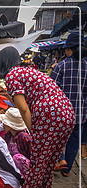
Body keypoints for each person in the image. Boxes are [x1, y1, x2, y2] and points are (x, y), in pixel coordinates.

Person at [0, 46, 75, 188]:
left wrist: (33, 131)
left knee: (38, 163)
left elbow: (23, 109)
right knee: (48, 162)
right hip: (66, 113)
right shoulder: (27, 71)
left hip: (50, 116)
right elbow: (27, 97)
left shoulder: (12, 75)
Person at [51, 32, 87, 176]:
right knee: (73, 141)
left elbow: (51, 90)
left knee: (57, 138)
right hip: (81, 113)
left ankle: (60, 159)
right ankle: (67, 170)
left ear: (69, 50)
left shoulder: (61, 66)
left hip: (62, 112)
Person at [0, 108, 31, 177]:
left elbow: (32, 156)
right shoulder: (9, 134)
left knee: (17, 157)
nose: (2, 124)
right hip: (12, 167)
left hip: (24, 172)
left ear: (10, 125)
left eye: (4, 122)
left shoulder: (24, 137)